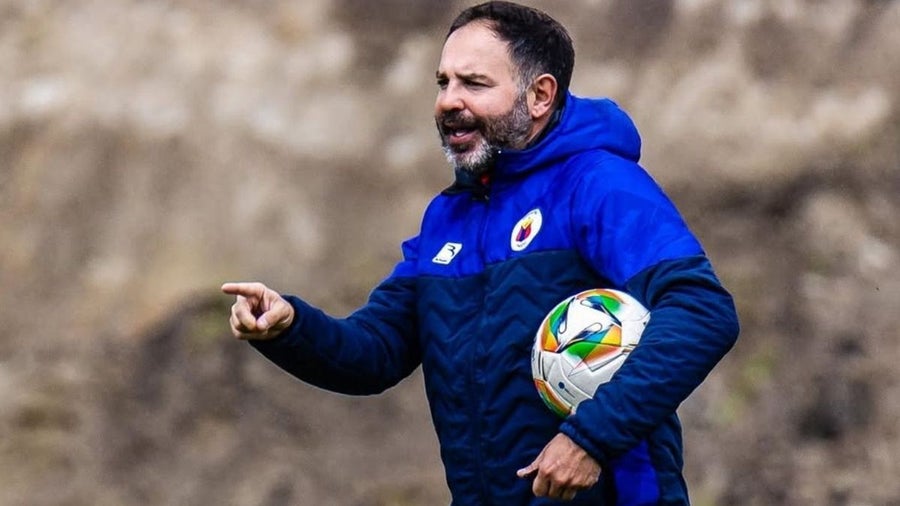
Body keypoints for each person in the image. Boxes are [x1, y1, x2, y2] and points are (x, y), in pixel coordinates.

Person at [222, 2, 740, 504]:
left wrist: (591, 439)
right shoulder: (448, 216)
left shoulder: (598, 185)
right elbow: (375, 352)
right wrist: (289, 327)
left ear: (539, 96)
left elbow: (701, 310)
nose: (449, 101)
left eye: (473, 83)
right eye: (443, 82)